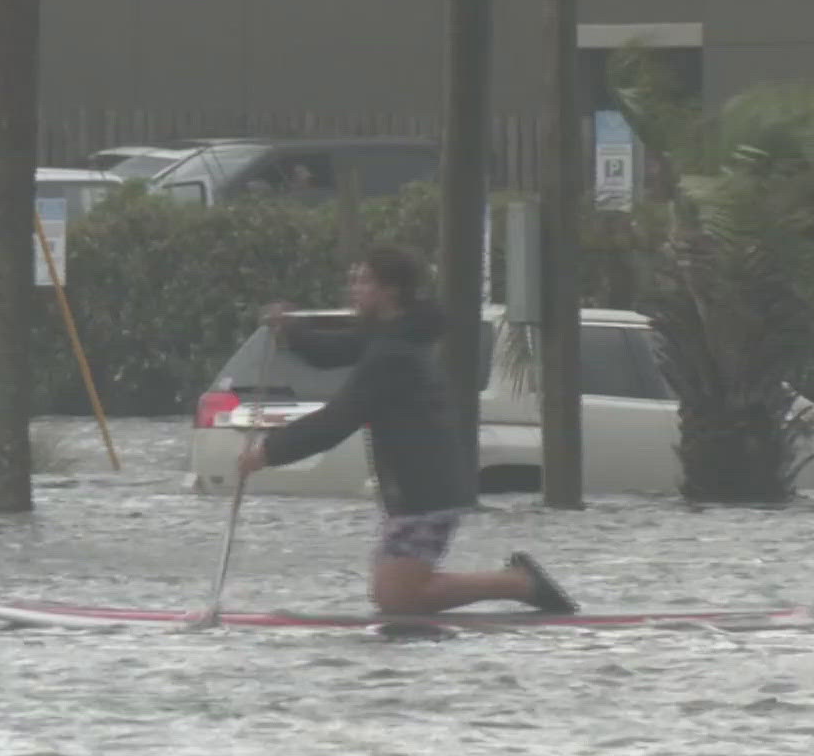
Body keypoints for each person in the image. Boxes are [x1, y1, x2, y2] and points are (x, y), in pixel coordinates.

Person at [237, 245, 578, 616]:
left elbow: (337, 420)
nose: (354, 289)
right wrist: (290, 331)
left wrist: (267, 452)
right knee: (395, 596)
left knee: (398, 598)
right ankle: (516, 582)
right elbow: (332, 351)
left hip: (426, 490)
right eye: (353, 280)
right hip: (418, 487)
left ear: (392, 291)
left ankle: (519, 583)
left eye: (364, 281)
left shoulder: (393, 353)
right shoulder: (388, 337)